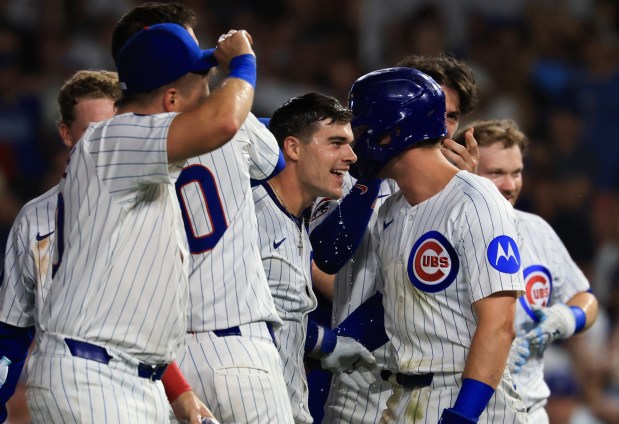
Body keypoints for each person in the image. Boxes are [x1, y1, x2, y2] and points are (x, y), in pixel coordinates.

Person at [23, 22, 256, 423]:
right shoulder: (115, 139)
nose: (207, 95)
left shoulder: (138, 168)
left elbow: (133, 306)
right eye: (201, 82)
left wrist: (179, 393)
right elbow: (224, 121)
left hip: (120, 374)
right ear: (170, 98)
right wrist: (244, 63)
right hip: (94, 377)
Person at [112, 4, 292, 423]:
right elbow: (277, 166)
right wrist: (242, 66)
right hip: (237, 347)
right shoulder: (222, 116)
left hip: (162, 367)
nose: (202, 66)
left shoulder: (108, 138)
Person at [0, 70, 213, 424]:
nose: (108, 138)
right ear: (66, 135)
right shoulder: (34, 219)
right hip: (80, 379)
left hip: (145, 379)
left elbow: (139, 314)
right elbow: (11, 330)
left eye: (116, 125)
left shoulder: (157, 206)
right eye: (93, 130)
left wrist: (178, 390)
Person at [346, 67, 526, 423]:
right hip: (403, 397)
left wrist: (464, 414)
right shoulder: (390, 211)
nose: (356, 143)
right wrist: (328, 341)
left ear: (393, 132)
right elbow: (394, 307)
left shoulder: (476, 201)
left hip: (468, 396)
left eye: (364, 129)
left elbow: (499, 323)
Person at [308, 53, 480, 424]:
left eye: (451, 116)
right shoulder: (347, 171)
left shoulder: (472, 197)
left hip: (431, 378)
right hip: (357, 371)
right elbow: (323, 257)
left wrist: (458, 191)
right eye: (435, 112)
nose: (443, 126)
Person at [454, 119, 599, 423]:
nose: (510, 185)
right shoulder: (441, 233)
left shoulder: (537, 231)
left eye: (516, 172)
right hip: (455, 407)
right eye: (496, 173)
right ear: (464, 169)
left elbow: (586, 300)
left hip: (527, 411)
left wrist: (565, 318)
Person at [253, 93, 375, 423]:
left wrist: (324, 342)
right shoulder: (249, 217)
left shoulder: (296, 223)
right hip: (249, 404)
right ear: (292, 148)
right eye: (336, 143)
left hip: (285, 405)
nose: (350, 156)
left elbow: (275, 313)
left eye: (350, 144)